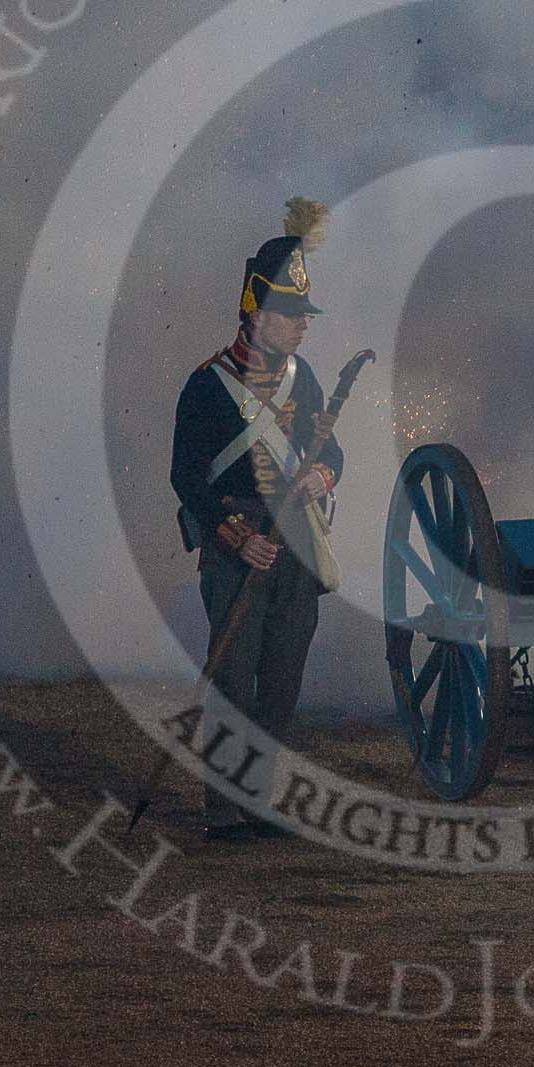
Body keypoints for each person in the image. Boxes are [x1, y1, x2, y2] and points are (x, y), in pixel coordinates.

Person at [168, 200, 344, 843]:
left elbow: (330, 452)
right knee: (233, 676)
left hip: (296, 539)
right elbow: (186, 476)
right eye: (290, 316)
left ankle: (260, 799)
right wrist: (233, 536)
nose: (301, 328)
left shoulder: (305, 383)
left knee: (282, 678)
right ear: (256, 312)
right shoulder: (208, 387)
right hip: (235, 542)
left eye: (302, 317)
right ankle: (223, 808)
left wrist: (321, 475)